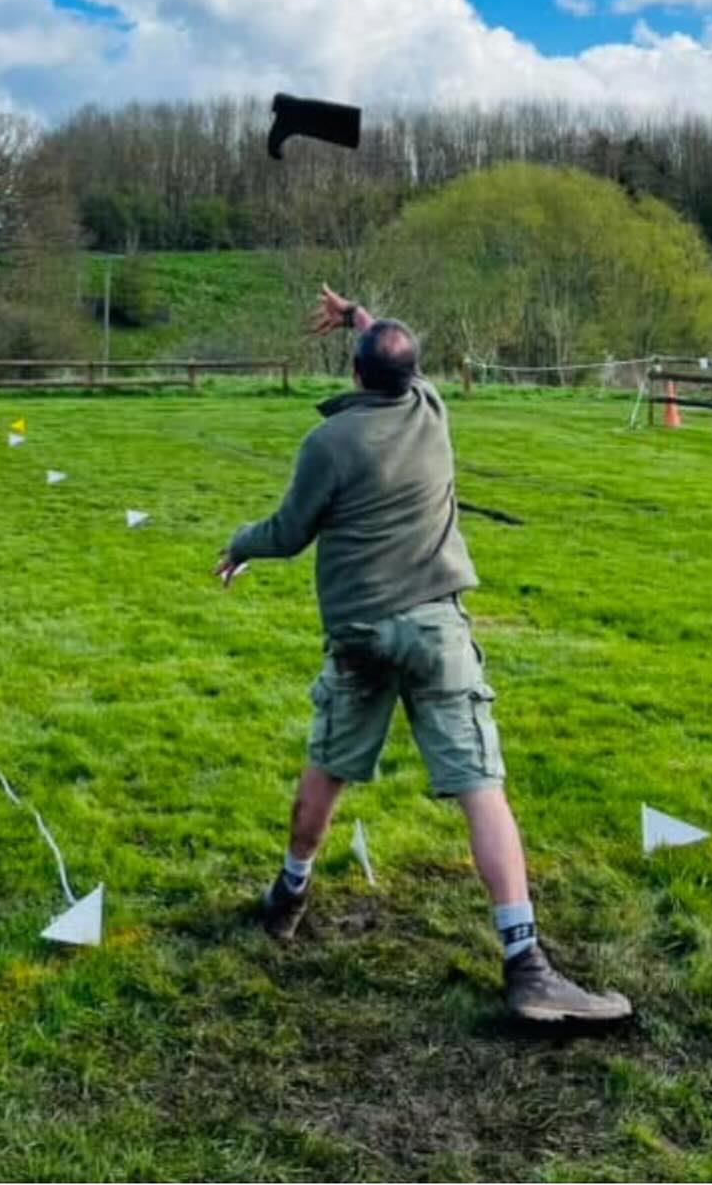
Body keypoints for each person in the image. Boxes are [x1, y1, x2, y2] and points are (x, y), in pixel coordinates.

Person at [216, 285, 631, 1025]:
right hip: (438, 629)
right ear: (411, 376)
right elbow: (395, 354)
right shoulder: (431, 410)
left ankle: (288, 895)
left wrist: (239, 547)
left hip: (362, 633)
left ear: (353, 375)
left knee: (330, 764)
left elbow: (287, 531)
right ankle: (525, 963)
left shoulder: (330, 443)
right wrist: (361, 317)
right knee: (480, 784)